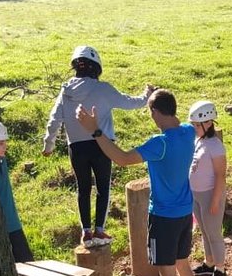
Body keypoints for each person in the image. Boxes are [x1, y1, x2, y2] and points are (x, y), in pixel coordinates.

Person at [75, 90, 197, 276]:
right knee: (183, 265)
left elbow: (122, 158)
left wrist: (96, 131)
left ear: (155, 112)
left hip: (163, 217)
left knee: (167, 272)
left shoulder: (159, 144)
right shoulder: (188, 132)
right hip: (185, 212)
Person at [42, 45, 153, 249]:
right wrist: (147, 95)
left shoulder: (65, 91)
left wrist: (48, 145)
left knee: (83, 189)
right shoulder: (104, 89)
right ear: (97, 67)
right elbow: (131, 103)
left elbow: (54, 119)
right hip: (103, 145)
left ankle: (86, 233)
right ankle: (100, 230)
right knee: (103, 188)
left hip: (76, 148)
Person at [187, 101, 229, 276]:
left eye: (197, 125)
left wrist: (215, 200)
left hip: (211, 194)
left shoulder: (215, 146)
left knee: (213, 233)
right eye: (193, 125)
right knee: (204, 231)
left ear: (209, 123)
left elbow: (221, 175)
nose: (195, 128)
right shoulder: (199, 140)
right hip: (196, 194)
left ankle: (220, 269)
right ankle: (209, 262)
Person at [0, 118, 33, 263]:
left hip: (13, 223)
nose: (5, 147)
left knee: (27, 262)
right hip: (0, 226)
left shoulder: (1, 161)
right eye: (2, 143)